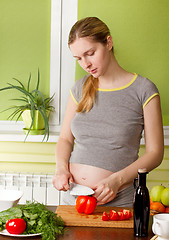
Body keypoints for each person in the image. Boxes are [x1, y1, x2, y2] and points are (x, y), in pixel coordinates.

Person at [52, 17, 164, 207]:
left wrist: (117, 180)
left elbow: (155, 153)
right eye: (78, 58)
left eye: (90, 53)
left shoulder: (144, 90)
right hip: (72, 200)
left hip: (118, 202)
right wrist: (61, 169)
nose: (86, 64)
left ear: (109, 43)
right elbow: (65, 139)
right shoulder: (79, 88)